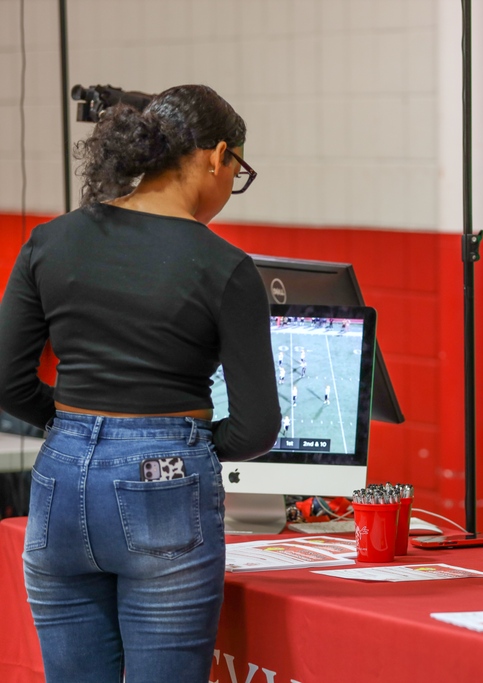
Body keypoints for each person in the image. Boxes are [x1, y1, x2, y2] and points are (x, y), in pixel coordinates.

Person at [0, 85, 281, 682]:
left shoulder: (50, 241)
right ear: (216, 156)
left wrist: (78, 427)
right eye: (238, 170)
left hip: (60, 478)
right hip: (167, 486)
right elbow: (258, 426)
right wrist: (178, 444)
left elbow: (6, 380)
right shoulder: (226, 267)